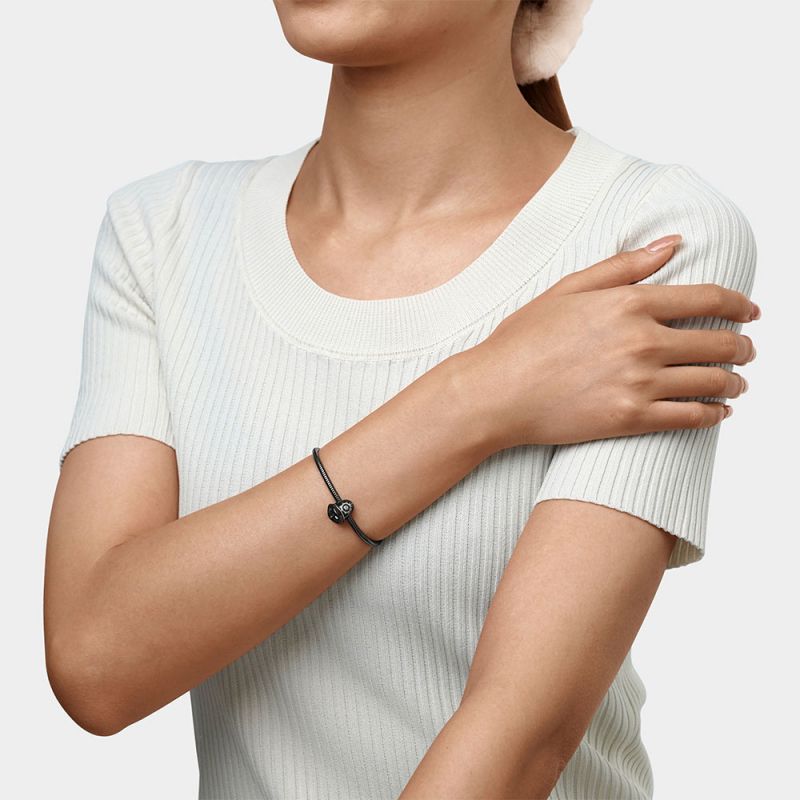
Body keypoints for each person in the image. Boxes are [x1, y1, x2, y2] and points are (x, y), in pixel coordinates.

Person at [44, 1, 759, 798]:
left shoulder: (648, 237)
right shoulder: (161, 233)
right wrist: (476, 396)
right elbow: (98, 665)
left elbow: (520, 743)